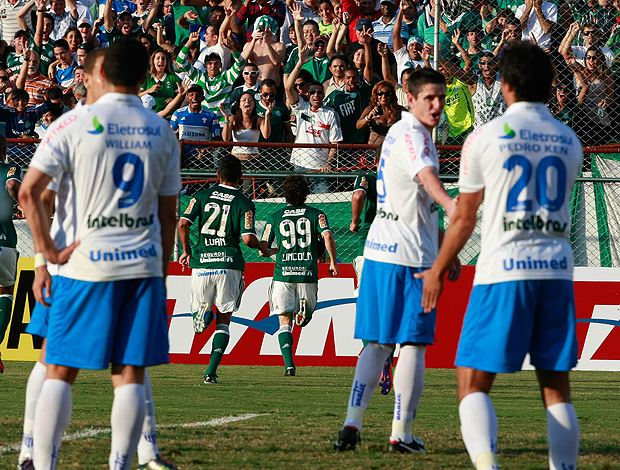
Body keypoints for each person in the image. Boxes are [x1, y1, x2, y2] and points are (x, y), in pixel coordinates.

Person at [415, 42, 582, 470]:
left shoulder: (486, 137)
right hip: (558, 271)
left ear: (504, 86)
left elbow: (465, 216)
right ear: (549, 85)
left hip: (504, 269)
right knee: (556, 387)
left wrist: (436, 268)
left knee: (472, 380)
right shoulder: (569, 140)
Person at [18, 38, 181, 470]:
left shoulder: (75, 123)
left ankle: (40, 462)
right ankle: (123, 464)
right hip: (142, 265)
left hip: (83, 265)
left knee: (59, 368)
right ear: (145, 78)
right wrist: (160, 272)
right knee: (129, 374)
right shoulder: (162, 129)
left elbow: (28, 192)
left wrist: (46, 252)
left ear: (101, 73)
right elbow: (169, 216)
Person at [334, 67, 459, 453]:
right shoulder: (416, 135)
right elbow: (427, 181)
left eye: (441, 98)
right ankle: (401, 434)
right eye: (429, 98)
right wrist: (452, 204)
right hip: (409, 259)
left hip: (379, 250)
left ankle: (351, 425)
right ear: (413, 98)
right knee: (413, 345)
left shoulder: (397, 134)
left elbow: (416, 201)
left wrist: (442, 242)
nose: (437, 105)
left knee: (377, 344)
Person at [177, 155, 269, 384]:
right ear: (241, 177)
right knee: (224, 320)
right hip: (229, 264)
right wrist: (262, 246)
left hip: (202, 262)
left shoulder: (201, 196)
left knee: (200, 319)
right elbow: (248, 239)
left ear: (217, 175)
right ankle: (210, 373)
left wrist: (187, 251)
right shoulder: (244, 202)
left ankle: (202, 312)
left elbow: (182, 224)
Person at [259, 174, 338, 376]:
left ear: (285, 194)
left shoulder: (275, 217)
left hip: (283, 273)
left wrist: (274, 252)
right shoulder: (316, 214)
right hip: (307, 272)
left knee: (284, 320)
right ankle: (305, 312)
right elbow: (327, 235)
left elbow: (262, 250)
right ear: (306, 194)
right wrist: (332, 262)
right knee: (306, 316)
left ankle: (289, 365)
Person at [285, 46, 343, 193]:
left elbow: (335, 143)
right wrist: (299, 63)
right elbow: (287, 87)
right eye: (312, 92)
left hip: (321, 169)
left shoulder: (330, 114)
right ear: (308, 94)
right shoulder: (301, 107)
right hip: (300, 166)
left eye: (319, 92)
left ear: (323, 95)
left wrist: (329, 164)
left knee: (325, 205)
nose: (315, 95)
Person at [0, 135, 22, 374]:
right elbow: (12, 185)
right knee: (6, 291)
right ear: (4, 149)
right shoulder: (11, 168)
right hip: (4, 242)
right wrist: (22, 203)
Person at [565, 47, 614, 145]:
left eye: (595, 58)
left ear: (600, 59)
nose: (591, 60)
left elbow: (611, 99)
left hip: (598, 116)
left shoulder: (606, 75)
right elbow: (564, 53)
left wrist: (606, 100)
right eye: (588, 57)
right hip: (581, 115)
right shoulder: (580, 72)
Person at [170, 84, 222, 166]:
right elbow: (169, 137)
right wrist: (175, 136)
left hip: (202, 157)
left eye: (198, 95)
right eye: (191, 95)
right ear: (187, 98)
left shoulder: (211, 115)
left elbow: (217, 140)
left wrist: (207, 150)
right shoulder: (178, 114)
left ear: (203, 98)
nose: (194, 97)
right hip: (182, 156)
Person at [324, 65, 371, 146]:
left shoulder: (362, 92)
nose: (351, 80)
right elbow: (321, 108)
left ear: (358, 79)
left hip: (359, 139)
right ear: (344, 80)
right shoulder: (335, 95)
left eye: (354, 77)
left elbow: (369, 66)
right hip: (342, 139)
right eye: (348, 78)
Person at [356, 80, 406, 148]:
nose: (383, 96)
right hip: (374, 150)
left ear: (392, 95)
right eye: (380, 93)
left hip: (393, 149)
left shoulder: (399, 110)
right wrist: (368, 118)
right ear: (376, 95)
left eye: (387, 94)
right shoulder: (370, 109)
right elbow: (358, 126)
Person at [139, 49, 181, 116]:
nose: (161, 61)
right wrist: (149, 91)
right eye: (158, 58)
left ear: (166, 62)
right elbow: (137, 95)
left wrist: (173, 100)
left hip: (169, 116)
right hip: (150, 115)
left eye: (163, 58)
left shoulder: (173, 77)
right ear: (153, 61)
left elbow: (180, 96)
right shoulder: (147, 77)